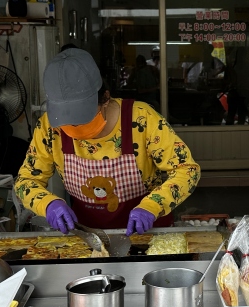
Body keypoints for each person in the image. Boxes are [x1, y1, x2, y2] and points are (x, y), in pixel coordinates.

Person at [15, 48, 200, 235]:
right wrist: (47, 204)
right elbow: (25, 181)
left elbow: (187, 170)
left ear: (105, 98)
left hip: (148, 235)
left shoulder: (142, 119)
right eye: (66, 121)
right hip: (85, 237)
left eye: (83, 117)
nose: (74, 128)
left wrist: (153, 205)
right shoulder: (49, 128)